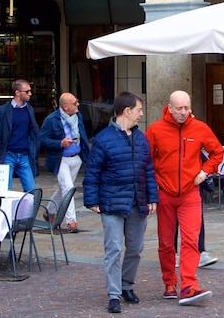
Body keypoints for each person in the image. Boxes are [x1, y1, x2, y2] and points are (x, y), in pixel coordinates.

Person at [83, 92, 158, 314]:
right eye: (138, 110)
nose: (141, 114)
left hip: (136, 202)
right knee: (114, 250)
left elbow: (149, 170)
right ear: (127, 111)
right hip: (111, 203)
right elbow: (92, 172)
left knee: (135, 249)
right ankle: (114, 294)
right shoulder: (103, 139)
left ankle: (126, 285)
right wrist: (92, 199)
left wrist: (152, 197)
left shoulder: (141, 138)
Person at [146, 90, 223, 306]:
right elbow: (145, 159)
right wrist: (155, 182)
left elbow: (217, 152)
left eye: (186, 108)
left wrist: (205, 171)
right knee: (166, 242)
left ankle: (189, 285)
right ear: (169, 108)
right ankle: (170, 282)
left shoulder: (199, 128)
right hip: (165, 194)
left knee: (191, 240)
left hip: (190, 192)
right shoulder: (155, 130)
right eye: (179, 108)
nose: (183, 112)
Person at [41, 92, 91, 233]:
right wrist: (60, 143)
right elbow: (42, 139)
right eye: (75, 103)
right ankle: (71, 221)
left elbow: (83, 135)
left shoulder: (78, 116)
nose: (78, 105)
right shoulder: (51, 120)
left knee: (63, 187)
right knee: (68, 188)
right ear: (65, 106)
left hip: (76, 157)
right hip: (60, 158)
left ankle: (49, 211)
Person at [0, 79, 40, 192]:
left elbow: (33, 133)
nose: (30, 94)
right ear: (17, 92)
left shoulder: (29, 109)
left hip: (24, 154)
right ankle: (4, 210)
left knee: (31, 190)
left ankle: (26, 210)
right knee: (4, 189)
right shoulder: (3, 111)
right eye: (27, 91)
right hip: (8, 154)